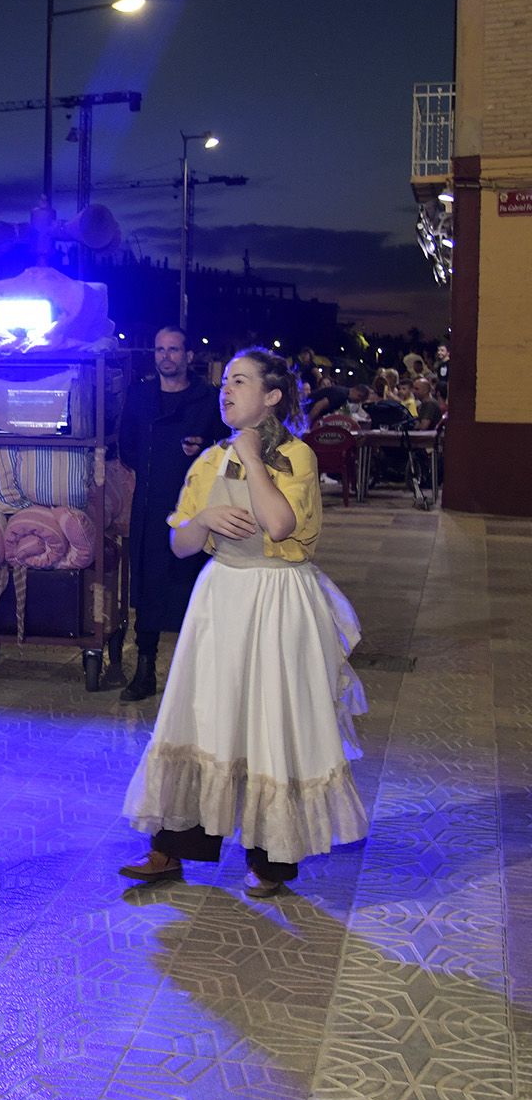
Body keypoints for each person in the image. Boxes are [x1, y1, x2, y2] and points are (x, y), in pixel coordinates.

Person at [120, 348, 368, 897]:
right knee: (202, 714)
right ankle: (172, 845)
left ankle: (270, 857)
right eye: (225, 382)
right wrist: (205, 518)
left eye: (240, 381)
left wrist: (253, 458)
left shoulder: (298, 456)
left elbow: (279, 525)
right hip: (222, 595)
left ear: (272, 395)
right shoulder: (210, 459)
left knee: (271, 720)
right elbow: (180, 544)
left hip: (278, 597)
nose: (226, 391)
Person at [116, 326, 228, 703]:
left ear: (189, 355)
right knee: (148, 588)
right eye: (160, 349)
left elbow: (226, 447)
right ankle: (145, 669)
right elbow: (127, 445)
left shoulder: (207, 399)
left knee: (191, 587)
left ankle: (195, 676)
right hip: (149, 506)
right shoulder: (140, 395)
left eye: (174, 350)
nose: (166, 356)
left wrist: (203, 448)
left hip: (194, 508)